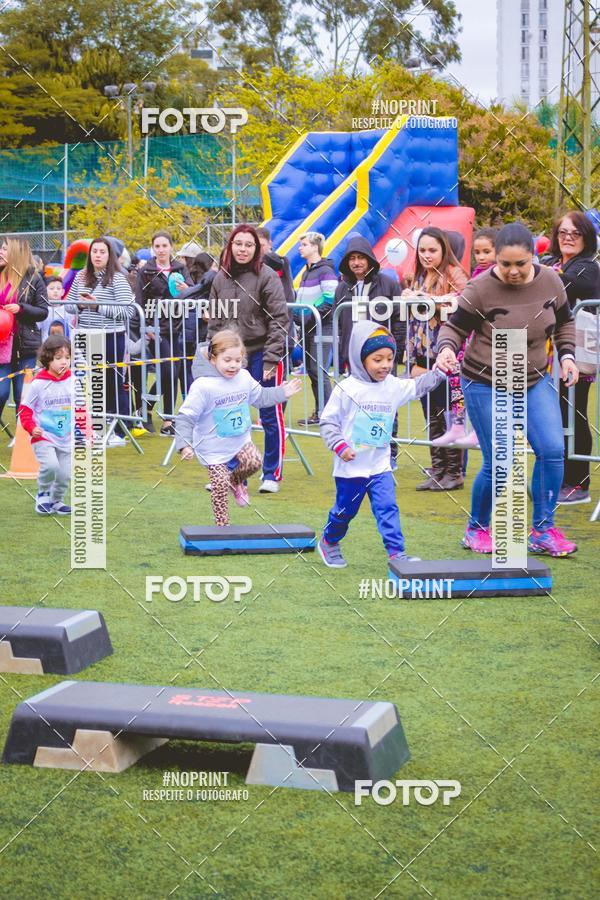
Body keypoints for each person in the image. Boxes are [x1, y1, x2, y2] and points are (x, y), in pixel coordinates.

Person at [437, 222, 578, 558]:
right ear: (496, 260)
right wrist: (444, 349)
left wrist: (568, 355)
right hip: (485, 381)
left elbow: (565, 322)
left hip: (533, 377)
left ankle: (543, 531)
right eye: (505, 264)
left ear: (534, 257)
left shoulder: (551, 281)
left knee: (552, 449)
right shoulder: (480, 288)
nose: (513, 271)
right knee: (502, 459)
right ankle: (477, 528)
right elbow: (453, 329)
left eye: (521, 264)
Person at [317, 323, 446, 567]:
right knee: (344, 512)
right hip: (351, 468)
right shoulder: (347, 389)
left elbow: (419, 386)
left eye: (389, 358)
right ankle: (329, 541)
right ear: (361, 359)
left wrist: (439, 371)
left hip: (380, 467)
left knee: (387, 508)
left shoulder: (393, 386)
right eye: (377, 359)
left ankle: (397, 553)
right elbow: (328, 422)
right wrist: (340, 446)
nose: (385, 365)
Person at [175, 329, 301, 525]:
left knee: (255, 462)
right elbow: (185, 417)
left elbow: (261, 398)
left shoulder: (244, 377)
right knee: (218, 484)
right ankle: (222, 526)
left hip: (240, 441)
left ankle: (236, 481)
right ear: (213, 359)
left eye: (237, 360)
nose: (233, 365)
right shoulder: (203, 386)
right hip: (212, 448)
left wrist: (283, 392)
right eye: (227, 360)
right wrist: (184, 444)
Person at [207, 225, 290, 493]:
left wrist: (271, 359)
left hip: (263, 352)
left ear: (257, 248)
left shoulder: (267, 276)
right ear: (230, 246)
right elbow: (215, 321)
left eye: (249, 245)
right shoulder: (220, 278)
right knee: (230, 414)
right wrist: (214, 356)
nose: (243, 249)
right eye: (238, 244)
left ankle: (271, 474)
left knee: (269, 413)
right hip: (232, 356)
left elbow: (279, 319)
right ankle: (234, 472)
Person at [541, 211, 600, 505]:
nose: (567, 238)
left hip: (576, 353)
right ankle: (557, 477)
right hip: (547, 352)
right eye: (563, 232)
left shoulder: (589, 267)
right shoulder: (551, 263)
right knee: (553, 416)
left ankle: (579, 483)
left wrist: (532, 271)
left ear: (587, 238)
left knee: (573, 414)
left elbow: (564, 285)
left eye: (575, 233)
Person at [404, 227, 468, 490]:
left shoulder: (455, 274)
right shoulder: (417, 276)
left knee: (451, 412)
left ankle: (453, 472)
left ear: (444, 250)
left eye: (432, 250)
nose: (427, 255)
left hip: (449, 353)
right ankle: (438, 470)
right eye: (422, 250)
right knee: (432, 413)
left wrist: (425, 298)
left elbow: (462, 302)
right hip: (422, 353)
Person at [332, 234, 405, 465]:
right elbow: (339, 323)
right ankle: (362, 449)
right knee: (357, 405)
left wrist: (398, 350)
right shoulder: (342, 288)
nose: (356, 263)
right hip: (354, 359)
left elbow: (400, 317)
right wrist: (342, 355)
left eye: (361, 258)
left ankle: (389, 452)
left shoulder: (388, 284)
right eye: (352, 258)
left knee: (386, 404)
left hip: (382, 355)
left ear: (370, 259)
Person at [65, 237, 135, 447]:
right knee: (90, 384)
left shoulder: (119, 279)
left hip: (112, 336)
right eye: (94, 251)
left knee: (113, 382)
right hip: (86, 335)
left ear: (109, 255)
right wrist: (80, 305)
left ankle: (121, 430)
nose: (97, 255)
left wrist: (98, 307)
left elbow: (128, 311)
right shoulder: (80, 277)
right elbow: (68, 305)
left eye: (102, 252)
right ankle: (95, 428)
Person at [433, 228, 498, 449]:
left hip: (492, 341)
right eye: (477, 252)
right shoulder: (477, 274)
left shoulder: (496, 275)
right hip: (470, 338)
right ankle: (458, 424)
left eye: (486, 251)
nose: (481, 257)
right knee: (457, 379)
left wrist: (452, 297)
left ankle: (480, 429)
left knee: (488, 387)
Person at [135, 230, 193, 436]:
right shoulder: (146, 272)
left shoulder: (180, 268)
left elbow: (192, 293)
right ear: (153, 248)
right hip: (156, 329)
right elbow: (140, 301)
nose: (161, 250)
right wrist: (147, 326)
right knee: (168, 370)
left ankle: (164, 417)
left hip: (177, 327)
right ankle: (156, 413)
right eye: (157, 246)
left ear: (171, 247)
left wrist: (186, 287)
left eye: (164, 246)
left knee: (173, 372)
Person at [18, 335, 72, 515]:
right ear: (48, 359)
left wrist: (87, 431)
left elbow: (81, 408)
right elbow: (25, 410)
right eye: (58, 358)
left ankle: (57, 500)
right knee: (51, 466)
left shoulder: (73, 381)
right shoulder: (38, 384)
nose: (64, 362)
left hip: (66, 437)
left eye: (67, 357)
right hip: (43, 436)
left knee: (65, 474)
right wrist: (32, 428)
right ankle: (43, 494)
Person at [0, 237, 48, 432]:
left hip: (25, 347)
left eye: (5, 249)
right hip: (2, 348)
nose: (0, 252)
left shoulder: (34, 278)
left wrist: (21, 308)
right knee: (1, 392)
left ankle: (24, 438)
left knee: (23, 394)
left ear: (16, 252)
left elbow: (43, 310)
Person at [295, 231, 338, 425]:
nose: (300, 247)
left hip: (322, 327)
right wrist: (299, 316)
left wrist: (309, 317)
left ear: (314, 247)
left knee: (317, 370)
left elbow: (330, 300)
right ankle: (322, 412)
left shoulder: (325, 270)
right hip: (309, 327)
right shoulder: (307, 270)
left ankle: (328, 413)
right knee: (313, 371)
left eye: (304, 244)